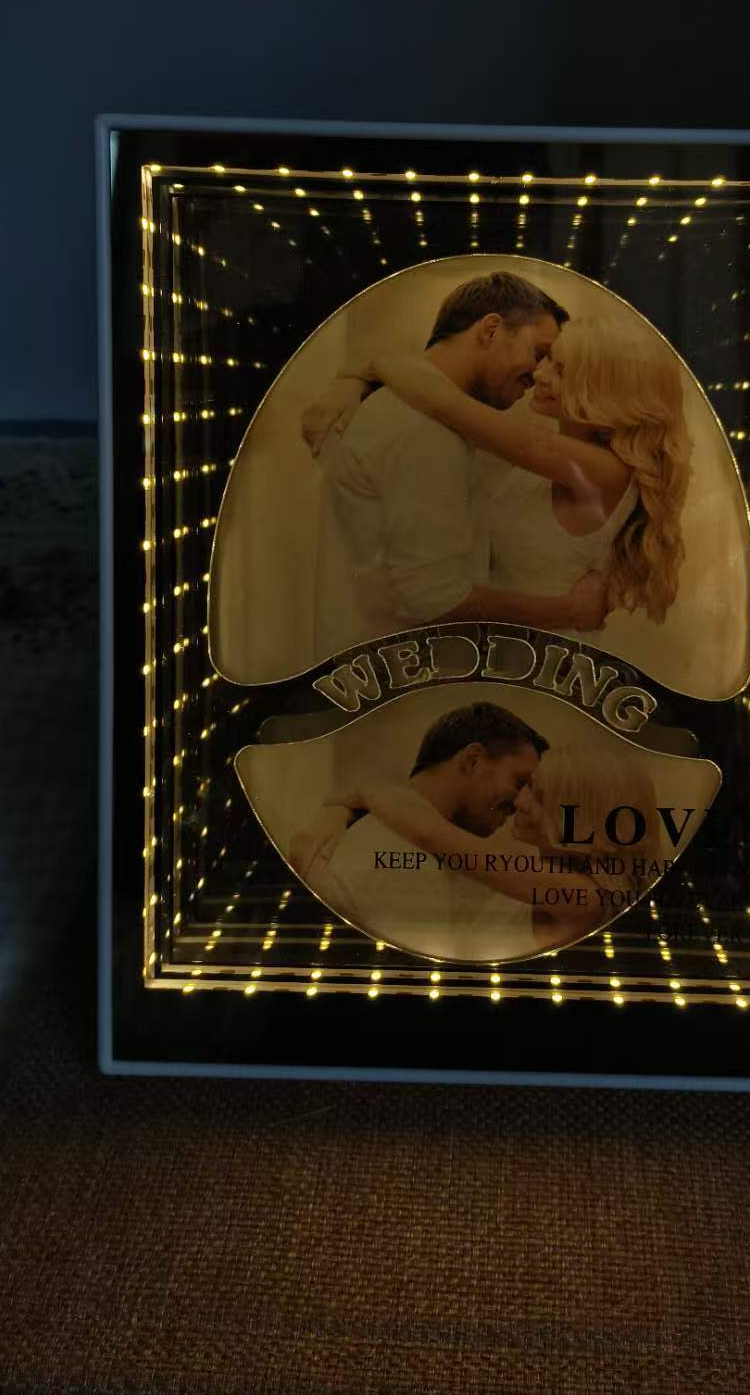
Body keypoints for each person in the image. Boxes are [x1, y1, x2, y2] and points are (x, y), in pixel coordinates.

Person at [334, 310, 693, 637]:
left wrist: (372, 366)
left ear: (603, 390)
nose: (539, 374)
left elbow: (446, 404)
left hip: (545, 656)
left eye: (561, 370)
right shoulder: (549, 457)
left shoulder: (602, 470)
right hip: (503, 646)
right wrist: (351, 384)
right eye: (547, 357)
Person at [309, 272, 608, 656]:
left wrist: (360, 373)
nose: (538, 375)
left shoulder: (420, 416)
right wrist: (570, 611)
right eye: (538, 353)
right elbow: (433, 599)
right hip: (398, 676)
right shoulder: (423, 431)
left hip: (379, 668)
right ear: (491, 330)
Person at [325, 740, 665, 961]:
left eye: (539, 795)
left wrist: (361, 793)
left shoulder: (584, 895)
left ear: (578, 814)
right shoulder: (542, 871)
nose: (520, 801)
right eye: (527, 786)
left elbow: (430, 833)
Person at [292, 701, 549, 960]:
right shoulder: (396, 853)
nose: (520, 803)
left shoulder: (397, 842)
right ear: (473, 760)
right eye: (519, 782)